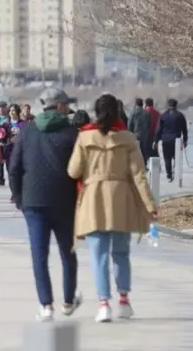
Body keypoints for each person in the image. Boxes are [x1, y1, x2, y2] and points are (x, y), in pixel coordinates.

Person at [67, 94, 157, 323]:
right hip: (121, 199)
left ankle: (104, 304)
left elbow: (73, 171)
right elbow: (139, 176)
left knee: (98, 257)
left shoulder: (85, 137)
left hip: (94, 199)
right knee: (121, 253)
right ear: (118, 112)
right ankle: (124, 301)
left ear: (96, 112)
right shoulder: (128, 139)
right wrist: (150, 204)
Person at [9, 88, 81, 321]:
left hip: (34, 202)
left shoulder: (28, 131)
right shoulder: (72, 133)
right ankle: (68, 302)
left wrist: (19, 198)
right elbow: (81, 169)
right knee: (67, 253)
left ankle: (46, 305)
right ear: (60, 106)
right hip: (65, 202)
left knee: (39, 255)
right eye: (66, 105)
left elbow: (14, 168)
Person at [154, 98, 188, 182]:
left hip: (165, 140)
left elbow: (158, 129)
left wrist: (156, 140)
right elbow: (184, 129)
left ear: (168, 105)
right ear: (176, 105)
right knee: (177, 158)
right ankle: (175, 173)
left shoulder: (163, 115)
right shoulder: (180, 115)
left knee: (167, 158)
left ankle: (169, 175)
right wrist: (185, 140)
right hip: (176, 140)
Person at [0, 101, 11, 186]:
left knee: (8, 161)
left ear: (6, 108)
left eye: (3, 107)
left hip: (7, 142)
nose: (1, 109)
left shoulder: (9, 118)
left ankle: (11, 178)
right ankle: (1, 179)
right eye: (0, 107)